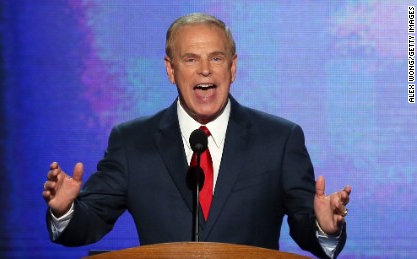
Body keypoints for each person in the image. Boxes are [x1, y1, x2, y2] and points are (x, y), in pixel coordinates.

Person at [42, 13, 351, 258]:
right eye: (191, 59)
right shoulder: (132, 142)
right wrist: (64, 211)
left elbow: (304, 225)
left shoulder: (280, 139)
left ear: (232, 68)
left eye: (216, 58)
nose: (205, 70)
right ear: (171, 70)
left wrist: (324, 227)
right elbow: (88, 223)